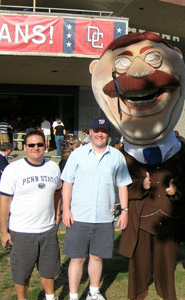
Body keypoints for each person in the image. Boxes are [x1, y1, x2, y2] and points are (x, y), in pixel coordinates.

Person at [89, 31, 185, 300]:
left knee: (166, 263)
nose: (137, 72)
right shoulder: (119, 153)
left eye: (153, 58)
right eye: (122, 63)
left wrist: (177, 191)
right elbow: (116, 187)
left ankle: (166, 293)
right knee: (138, 264)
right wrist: (140, 186)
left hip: (168, 218)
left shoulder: (181, 149)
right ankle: (137, 293)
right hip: (138, 219)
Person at [61, 116, 132, 300]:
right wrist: (66, 210)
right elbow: (67, 183)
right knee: (77, 258)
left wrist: (124, 211)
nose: (100, 134)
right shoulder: (78, 154)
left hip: (104, 217)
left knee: (97, 257)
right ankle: (74, 295)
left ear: (108, 134)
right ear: (90, 132)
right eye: (97, 131)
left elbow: (122, 185)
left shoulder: (116, 156)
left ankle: (93, 291)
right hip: (79, 216)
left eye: (104, 131)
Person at [0, 130, 62, 300]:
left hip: (47, 230)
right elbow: (4, 202)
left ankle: (50, 297)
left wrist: (57, 215)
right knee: (22, 273)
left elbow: (58, 192)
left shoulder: (53, 168)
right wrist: (3, 231)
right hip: (22, 231)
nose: (36, 148)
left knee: (49, 270)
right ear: (25, 147)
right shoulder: (13, 170)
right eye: (32, 145)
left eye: (40, 144)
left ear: (45, 146)